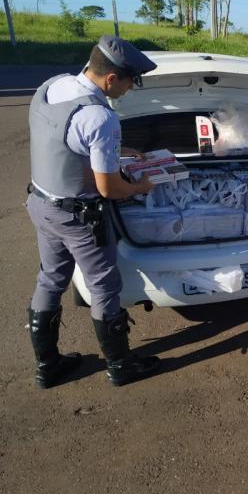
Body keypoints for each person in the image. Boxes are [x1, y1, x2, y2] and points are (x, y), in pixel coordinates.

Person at [25, 35, 160, 388]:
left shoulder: (52, 86)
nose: (130, 90)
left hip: (42, 204)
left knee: (50, 280)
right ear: (112, 79)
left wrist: (119, 150)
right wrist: (141, 187)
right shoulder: (100, 117)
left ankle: (48, 367)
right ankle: (120, 366)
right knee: (104, 288)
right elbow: (110, 189)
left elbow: (69, 142)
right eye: (131, 82)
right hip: (78, 218)